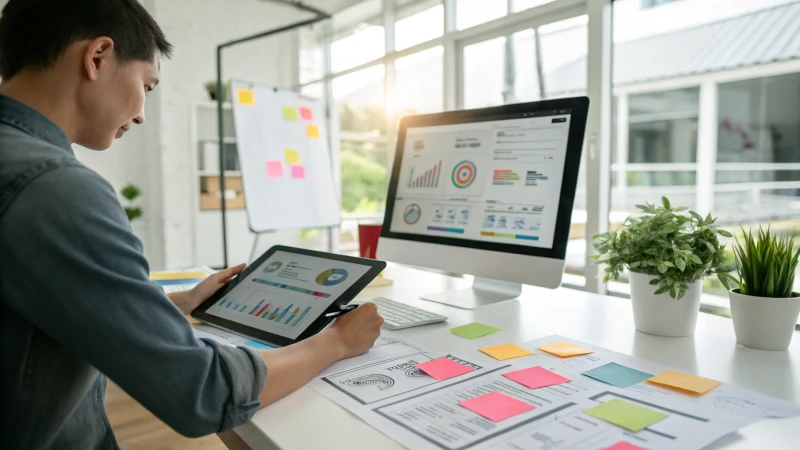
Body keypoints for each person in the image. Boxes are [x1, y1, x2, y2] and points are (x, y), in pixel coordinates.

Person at [0, 1, 384, 448]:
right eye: (147, 85)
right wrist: (336, 342)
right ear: (98, 56)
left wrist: (176, 303)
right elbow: (201, 390)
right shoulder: (54, 188)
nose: (141, 114)